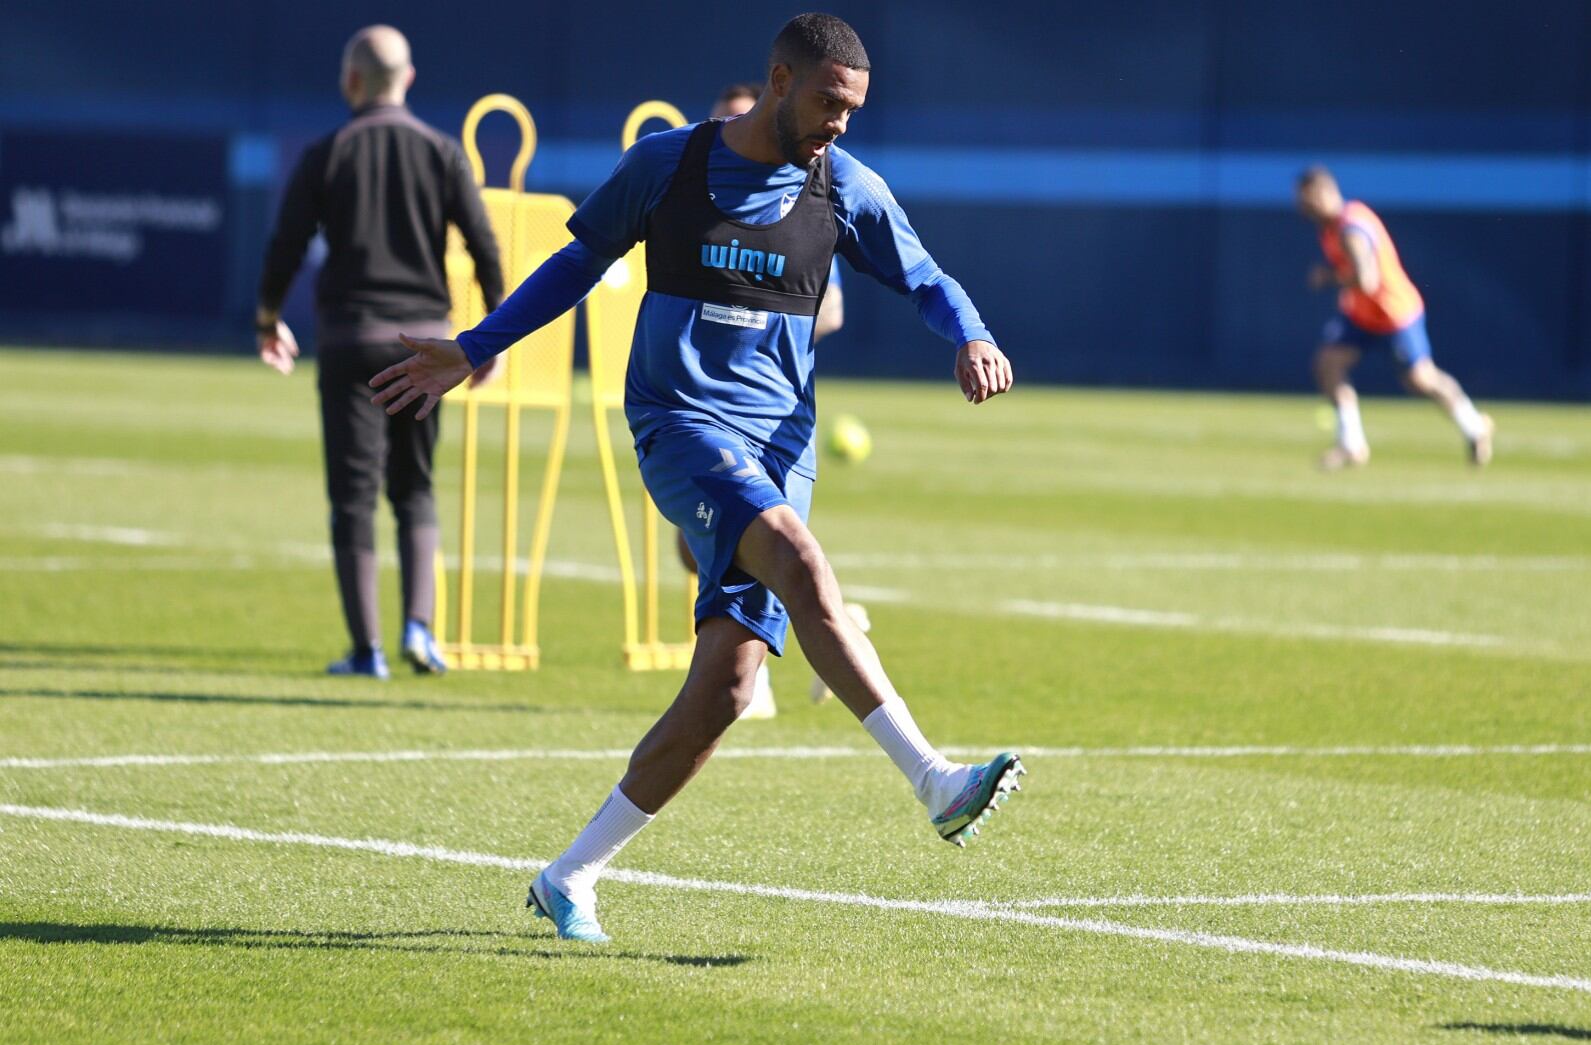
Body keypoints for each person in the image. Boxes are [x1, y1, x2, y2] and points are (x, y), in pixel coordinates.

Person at [371, 13, 1024, 942]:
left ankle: (568, 876)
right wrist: (476, 346)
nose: (840, 123)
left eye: (853, 110)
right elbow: (576, 262)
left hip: (782, 449)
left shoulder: (847, 187)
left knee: (725, 688)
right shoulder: (667, 165)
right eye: (829, 102)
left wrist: (972, 335)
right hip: (680, 426)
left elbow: (927, 278)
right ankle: (935, 780)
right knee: (798, 557)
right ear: (780, 80)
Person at [255, 25, 504, 677]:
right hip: (424, 343)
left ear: (351, 80)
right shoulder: (441, 151)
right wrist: (492, 339)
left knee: (353, 497)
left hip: (351, 339)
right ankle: (419, 629)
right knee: (415, 487)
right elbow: (483, 243)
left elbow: (285, 243)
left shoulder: (328, 151)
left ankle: (367, 649)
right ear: (409, 79)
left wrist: (268, 318)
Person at [683, 80, 856, 719]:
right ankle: (830, 634)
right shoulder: (695, 192)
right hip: (698, 405)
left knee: (744, 544)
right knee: (700, 544)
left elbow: (831, 308)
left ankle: (757, 678)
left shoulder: (802, 203)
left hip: (768, 409)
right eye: (718, 121)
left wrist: (760, 321)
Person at [1296, 166, 1493, 470]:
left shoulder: (1351, 228)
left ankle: (1475, 426)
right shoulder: (1330, 227)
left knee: (1421, 379)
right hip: (1362, 314)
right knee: (1328, 364)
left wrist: (1328, 278)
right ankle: (1351, 444)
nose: (1303, 207)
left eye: (1307, 199)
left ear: (1325, 193)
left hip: (1393, 312)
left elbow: (1367, 280)